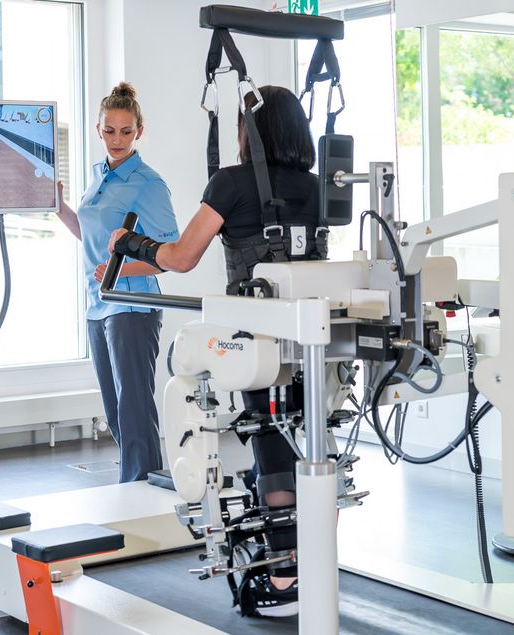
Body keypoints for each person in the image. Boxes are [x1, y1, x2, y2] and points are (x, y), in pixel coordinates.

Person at [106, 85, 324, 618]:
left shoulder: (231, 183)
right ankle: (308, 563)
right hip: (312, 338)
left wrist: (129, 245)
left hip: (256, 338)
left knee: (194, 378)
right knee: (304, 438)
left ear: (250, 133)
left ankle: (283, 573)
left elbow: (180, 258)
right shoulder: (319, 186)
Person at [55, 82, 179, 481]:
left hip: (132, 306)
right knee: (114, 410)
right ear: (98, 129)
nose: (117, 139)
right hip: (98, 304)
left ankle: (142, 493)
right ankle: (136, 488)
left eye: (126, 131)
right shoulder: (98, 177)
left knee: (134, 409)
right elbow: (92, 236)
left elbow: (169, 256)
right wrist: (59, 208)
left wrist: (120, 270)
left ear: (139, 131)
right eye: (110, 130)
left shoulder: (148, 183)